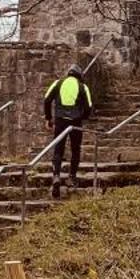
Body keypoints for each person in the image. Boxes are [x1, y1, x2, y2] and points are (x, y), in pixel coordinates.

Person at [42, 66, 93, 199]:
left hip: (60, 120)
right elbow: (89, 107)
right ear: (79, 75)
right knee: (75, 149)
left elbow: (47, 99)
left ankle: (56, 176)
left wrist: (48, 118)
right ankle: (72, 177)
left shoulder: (58, 83)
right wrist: (83, 117)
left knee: (58, 149)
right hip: (76, 122)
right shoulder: (83, 87)